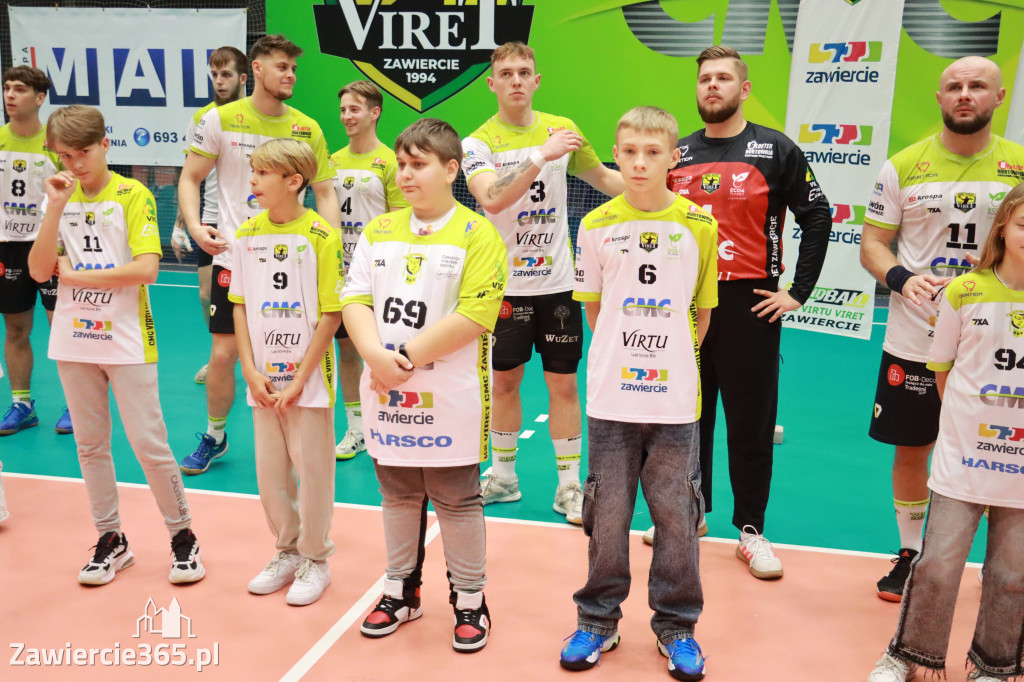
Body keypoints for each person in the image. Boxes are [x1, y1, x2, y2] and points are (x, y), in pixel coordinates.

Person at [658, 45, 832, 579]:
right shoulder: (676, 154)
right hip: (685, 307)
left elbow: (818, 214)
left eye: (724, 78)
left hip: (750, 304)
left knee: (749, 422)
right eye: (705, 78)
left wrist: (797, 291)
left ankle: (752, 530)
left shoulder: (774, 149)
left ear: (744, 89)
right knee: (688, 416)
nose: (713, 86)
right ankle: (695, 511)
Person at [560, 106, 717, 681]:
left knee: (677, 517)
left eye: (653, 152)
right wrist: (626, 362)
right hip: (610, 399)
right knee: (607, 514)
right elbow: (596, 313)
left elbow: (700, 317)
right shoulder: (596, 224)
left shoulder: (700, 223)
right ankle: (597, 620)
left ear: (675, 157)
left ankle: (677, 627)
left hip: (674, 402)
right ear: (616, 154)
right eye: (628, 152)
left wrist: (667, 362)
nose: (640, 162)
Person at [860, 55, 1024, 602]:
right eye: (954, 85)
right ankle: (911, 554)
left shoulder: (1020, 167)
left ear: (998, 98)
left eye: (978, 86)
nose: (964, 94)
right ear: (939, 96)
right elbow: (872, 245)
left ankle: (1008, 564)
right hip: (915, 335)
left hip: (1000, 341)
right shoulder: (902, 165)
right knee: (912, 446)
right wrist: (902, 278)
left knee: (1009, 446)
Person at [343, 118, 507, 653]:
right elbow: (356, 299)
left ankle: (470, 600)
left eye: (418, 164)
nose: (405, 173)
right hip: (386, 386)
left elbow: (478, 314)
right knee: (397, 493)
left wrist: (403, 359)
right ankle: (400, 591)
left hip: (449, 393)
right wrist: (373, 355)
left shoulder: (477, 233)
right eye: (402, 163)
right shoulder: (380, 231)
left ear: (450, 169)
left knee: (457, 498)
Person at [27, 105, 205, 586]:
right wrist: (56, 208)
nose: (75, 164)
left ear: (105, 144)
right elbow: (41, 270)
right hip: (72, 337)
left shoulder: (133, 194)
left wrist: (81, 276)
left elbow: (147, 268)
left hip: (126, 339)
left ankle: (182, 536)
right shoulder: (58, 196)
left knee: (150, 444)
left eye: (83, 152)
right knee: (89, 446)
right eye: (64, 155)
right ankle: (111, 540)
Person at [866, 182, 1024, 682]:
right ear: (1003, 227)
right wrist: (970, 426)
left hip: (1020, 465)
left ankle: (994, 666)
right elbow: (943, 371)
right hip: (965, 457)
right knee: (936, 565)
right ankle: (909, 656)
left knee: (1012, 574)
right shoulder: (964, 291)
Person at [462, 41, 623, 525]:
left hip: (556, 283)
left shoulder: (563, 129)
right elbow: (490, 198)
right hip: (502, 287)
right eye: (506, 73)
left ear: (536, 81)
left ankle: (569, 487)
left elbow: (603, 179)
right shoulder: (478, 143)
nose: (515, 80)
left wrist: (660, 186)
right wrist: (539, 155)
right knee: (504, 383)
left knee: (563, 384)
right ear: (492, 83)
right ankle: (504, 477)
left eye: (524, 72)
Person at [178, 34, 340, 475]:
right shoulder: (220, 119)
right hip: (237, 261)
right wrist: (194, 226)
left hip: (298, 265)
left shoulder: (307, 128)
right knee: (223, 356)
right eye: (282, 66)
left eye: (294, 68)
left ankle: (304, 437)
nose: (290, 75)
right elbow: (191, 177)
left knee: (303, 350)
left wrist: (331, 247)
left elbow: (325, 193)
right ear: (258, 69)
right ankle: (215, 435)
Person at [231, 138, 343, 606]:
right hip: (262, 381)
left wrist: (300, 377)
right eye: (252, 172)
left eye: (261, 174)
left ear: (293, 181)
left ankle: (316, 559)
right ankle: (287, 551)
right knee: (270, 473)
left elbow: (331, 314)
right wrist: (249, 369)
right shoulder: (245, 235)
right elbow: (238, 306)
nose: (252, 181)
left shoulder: (321, 235)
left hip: (307, 382)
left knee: (312, 471)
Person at [330, 80, 407, 460]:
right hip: (342, 274)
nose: (347, 116)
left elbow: (398, 222)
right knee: (346, 350)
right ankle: (357, 427)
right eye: (343, 109)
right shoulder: (332, 161)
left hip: (380, 275)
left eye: (354, 109)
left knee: (386, 351)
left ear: (374, 113)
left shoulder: (391, 162)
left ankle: (391, 421)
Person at [170, 47, 248, 385]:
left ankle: (259, 359)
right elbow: (190, 175)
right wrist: (180, 225)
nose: (219, 81)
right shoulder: (201, 118)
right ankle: (221, 353)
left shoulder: (259, 114)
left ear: (243, 78)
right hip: (212, 221)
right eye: (214, 74)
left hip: (253, 222)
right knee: (207, 295)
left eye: (226, 74)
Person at [0, 66, 68, 435]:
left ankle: (75, 403)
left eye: (20, 89)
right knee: (14, 328)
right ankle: (22, 404)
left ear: (40, 98)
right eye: (7, 88)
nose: (10, 95)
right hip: (7, 247)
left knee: (62, 329)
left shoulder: (55, 143)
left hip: (52, 249)